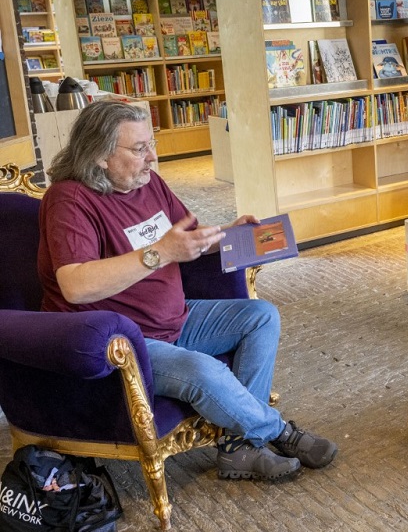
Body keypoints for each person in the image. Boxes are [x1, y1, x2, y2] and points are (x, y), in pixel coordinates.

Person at [37, 101, 338, 482]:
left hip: (175, 317)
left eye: (151, 144)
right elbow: (75, 285)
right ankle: (278, 432)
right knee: (203, 371)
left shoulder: (149, 183)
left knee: (261, 317)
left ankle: (238, 449)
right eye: (139, 149)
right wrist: (159, 253)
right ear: (99, 155)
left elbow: (185, 239)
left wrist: (228, 234)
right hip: (121, 340)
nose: (152, 158)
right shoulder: (69, 200)